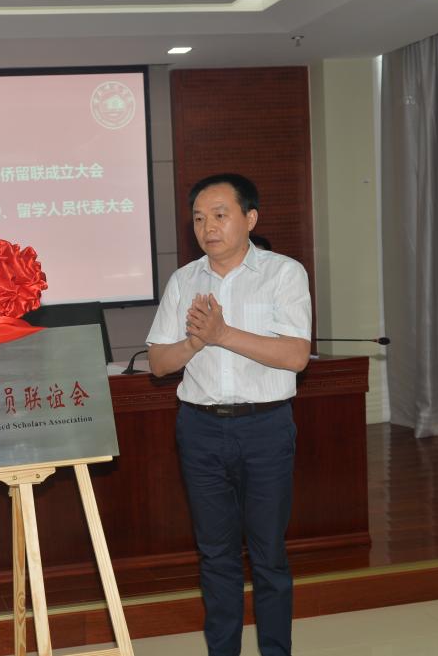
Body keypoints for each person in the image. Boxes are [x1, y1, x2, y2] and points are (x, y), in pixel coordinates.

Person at [146, 173, 311, 656]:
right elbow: (158, 363)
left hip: (265, 427)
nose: (208, 227)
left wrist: (222, 334)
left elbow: (296, 356)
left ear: (250, 218)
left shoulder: (284, 273)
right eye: (199, 218)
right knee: (215, 555)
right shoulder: (184, 280)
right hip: (200, 429)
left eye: (220, 215)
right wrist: (195, 342)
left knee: (268, 555)